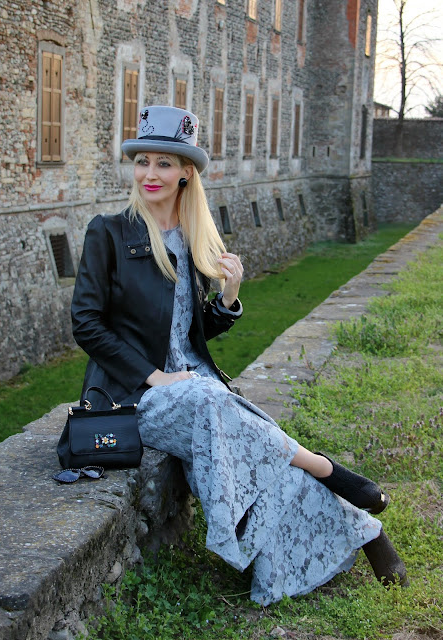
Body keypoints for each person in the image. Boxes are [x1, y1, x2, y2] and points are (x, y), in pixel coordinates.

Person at [71, 105, 408, 605]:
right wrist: (155, 377)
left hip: (196, 386)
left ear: (186, 173)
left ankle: (365, 532)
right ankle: (326, 469)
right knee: (215, 404)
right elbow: (86, 324)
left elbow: (186, 334)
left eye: (164, 163)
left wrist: (228, 298)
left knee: (253, 449)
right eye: (142, 161)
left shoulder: (192, 239)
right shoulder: (109, 232)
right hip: (135, 396)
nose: (149, 173)